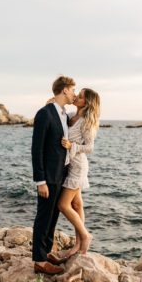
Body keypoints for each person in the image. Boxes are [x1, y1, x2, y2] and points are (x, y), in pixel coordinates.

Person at [31, 76, 76, 275]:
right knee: (44, 216)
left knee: (53, 215)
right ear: (64, 90)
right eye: (73, 90)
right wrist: (40, 181)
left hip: (62, 172)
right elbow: (36, 149)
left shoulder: (64, 114)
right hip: (48, 176)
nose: (75, 94)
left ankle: (46, 251)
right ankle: (39, 261)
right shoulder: (45, 114)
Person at [57, 88, 100, 257]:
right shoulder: (71, 116)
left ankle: (85, 236)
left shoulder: (85, 121)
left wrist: (71, 146)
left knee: (63, 205)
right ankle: (78, 245)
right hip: (70, 165)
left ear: (87, 103)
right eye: (78, 94)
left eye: (80, 97)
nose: (76, 97)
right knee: (77, 205)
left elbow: (90, 147)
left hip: (78, 167)